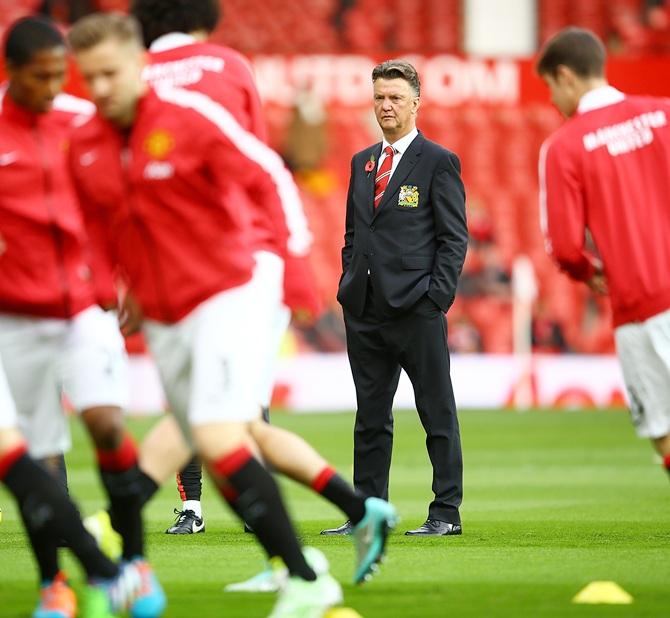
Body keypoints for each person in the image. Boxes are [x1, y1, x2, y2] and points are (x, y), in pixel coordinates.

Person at [67, 13, 395, 615]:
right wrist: (115, 287)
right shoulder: (86, 145)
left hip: (228, 290)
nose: (103, 88)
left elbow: (269, 173)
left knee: (218, 432)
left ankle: (303, 579)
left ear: (140, 64)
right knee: (214, 434)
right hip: (164, 310)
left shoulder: (189, 119)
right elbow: (96, 227)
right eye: (91, 78)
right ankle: (136, 564)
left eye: (112, 73)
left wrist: (295, 268)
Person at [129, 0, 323, 536]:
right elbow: (258, 164)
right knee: (238, 405)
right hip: (240, 261)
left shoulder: (133, 75)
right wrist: (291, 259)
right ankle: (320, 524)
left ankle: (170, 510)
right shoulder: (230, 66)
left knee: (194, 403)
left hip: (168, 263)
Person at [0, 16, 164, 617]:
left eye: (57, 76)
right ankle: (55, 584)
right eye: (39, 78)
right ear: (11, 72)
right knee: (39, 454)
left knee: (107, 425)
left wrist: (136, 276)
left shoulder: (81, 123)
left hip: (84, 309)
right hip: (13, 321)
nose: (51, 88)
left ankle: (135, 564)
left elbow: (125, 203)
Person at [322, 60, 468, 537]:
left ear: (415, 103)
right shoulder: (362, 161)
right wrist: (349, 281)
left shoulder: (438, 161)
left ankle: (445, 512)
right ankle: (368, 512)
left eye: (396, 98)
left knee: (436, 412)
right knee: (370, 418)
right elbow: (352, 232)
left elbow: (453, 238)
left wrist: (435, 298)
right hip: (364, 310)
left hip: (416, 310)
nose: (387, 106)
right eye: (380, 97)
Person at [537, 27, 670, 477]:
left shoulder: (564, 147)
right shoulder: (664, 114)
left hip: (644, 304)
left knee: (663, 427)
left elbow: (564, 245)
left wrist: (587, 271)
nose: (553, 100)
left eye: (551, 88)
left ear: (565, 76)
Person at [0, 354, 147, 618]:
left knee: (106, 426)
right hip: (13, 330)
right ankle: (67, 580)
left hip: (74, 319)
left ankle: (131, 560)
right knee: (28, 448)